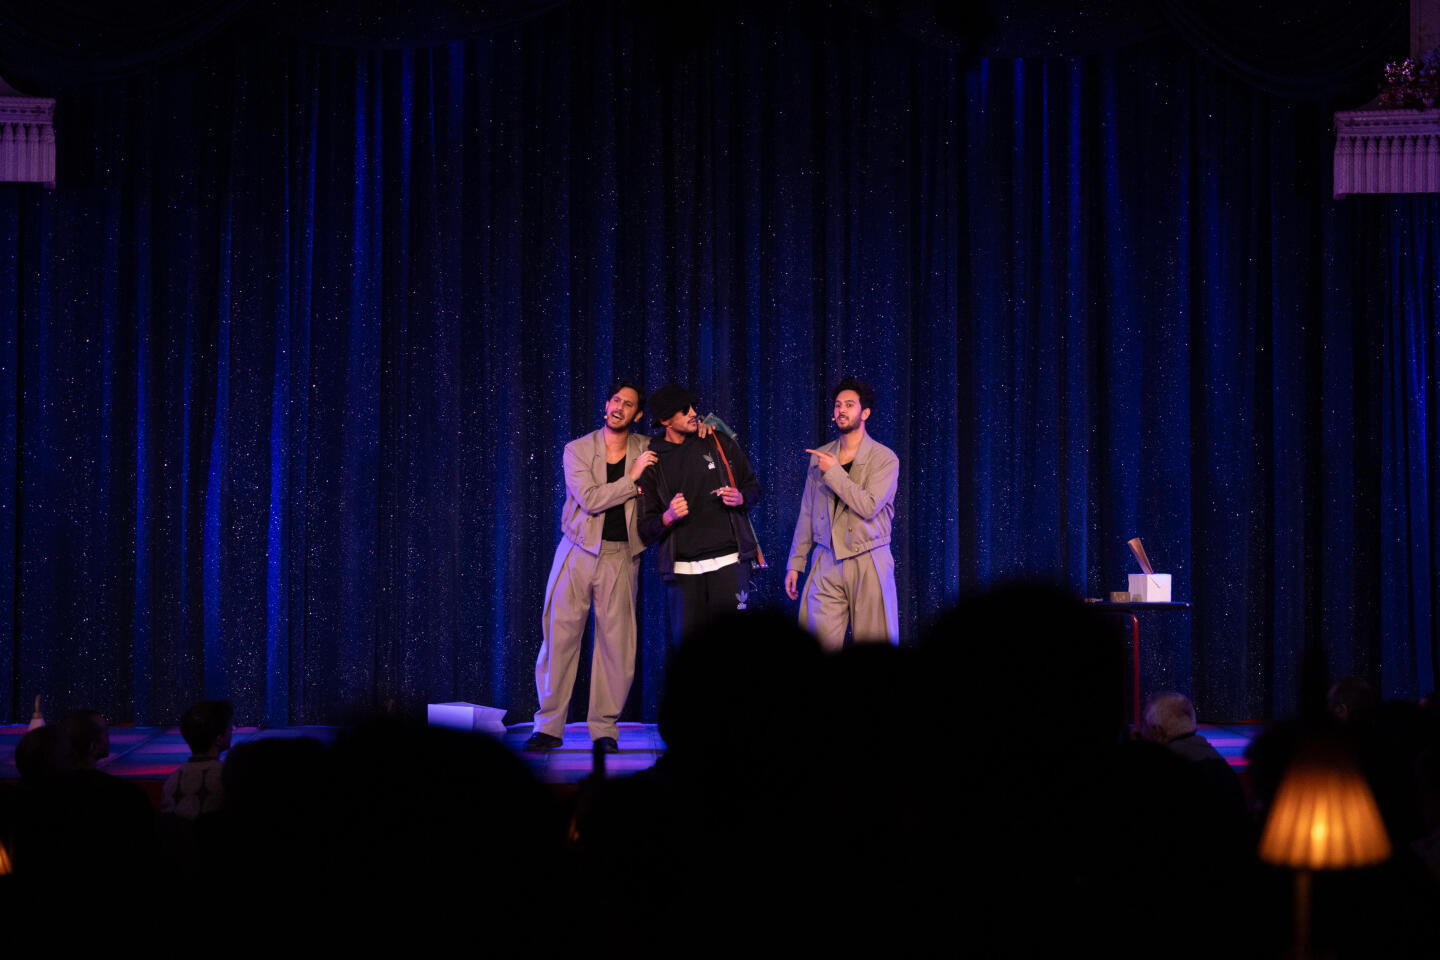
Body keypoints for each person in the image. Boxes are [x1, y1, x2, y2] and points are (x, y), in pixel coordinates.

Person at [526, 381, 658, 755]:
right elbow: (590, 499)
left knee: (616, 646)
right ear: (606, 405)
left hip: (621, 555)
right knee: (559, 639)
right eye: (615, 400)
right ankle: (548, 727)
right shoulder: (578, 449)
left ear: (637, 414)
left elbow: (683, 450)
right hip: (577, 550)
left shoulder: (648, 448)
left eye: (627, 404)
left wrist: (706, 429)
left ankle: (604, 730)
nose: (618, 407)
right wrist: (632, 480)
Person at [638, 384, 763, 648]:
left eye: (693, 407)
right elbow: (645, 529)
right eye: (685, 410)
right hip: (683, 571)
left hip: (729, 561)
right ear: (665, 420)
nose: (694, 413)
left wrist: (741, 497)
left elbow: (753, 488)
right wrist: (668, 516)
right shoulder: (652, 461)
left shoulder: (718, 441)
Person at [785, 377, 899, 649]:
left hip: (868, 557)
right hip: (827, 558)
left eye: (849, 405)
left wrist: (834, 472)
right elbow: (807, 512)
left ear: (865, 413)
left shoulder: (884, 458)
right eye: (837, 405)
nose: (841, 410)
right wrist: (795, 563)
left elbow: (869, 506)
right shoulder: (821, 456)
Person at [161, 699, 234, 818]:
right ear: (219, 739)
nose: (232, 731)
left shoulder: (172, 780)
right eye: (230, 728)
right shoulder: (228, 777)